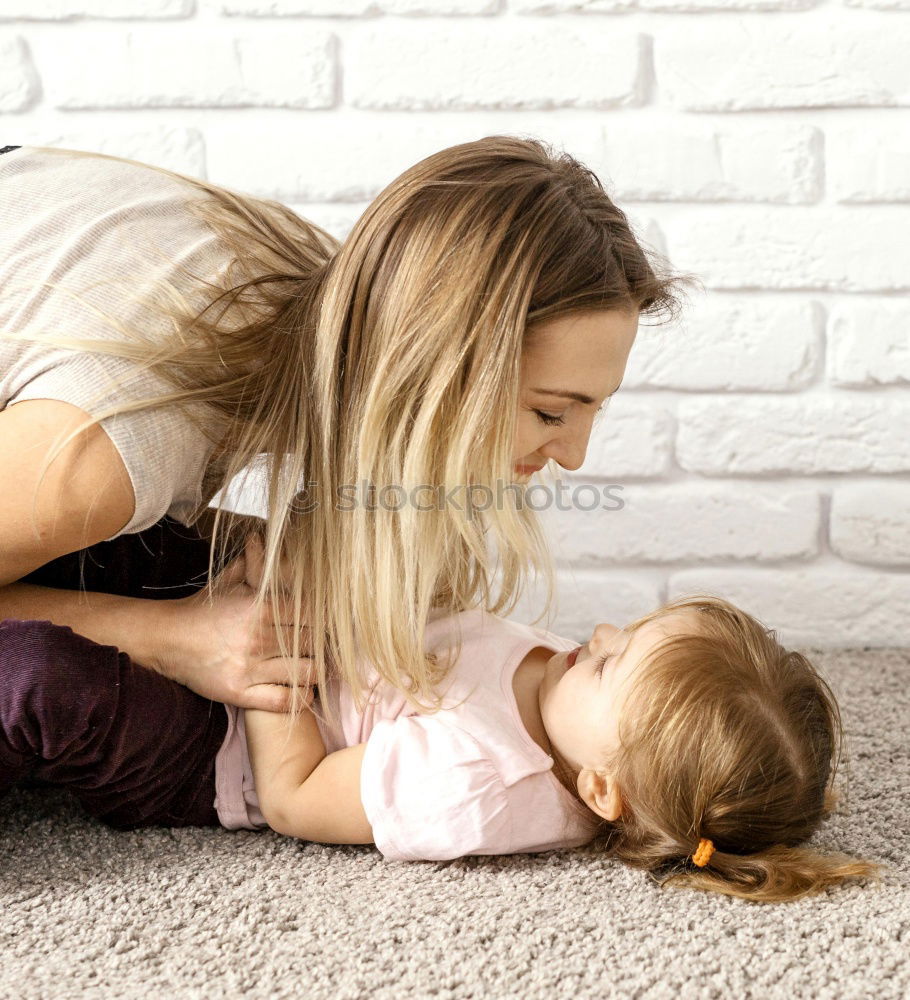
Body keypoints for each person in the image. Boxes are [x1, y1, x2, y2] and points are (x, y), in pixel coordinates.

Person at [0, 138, 696, 734]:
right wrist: (173, 639)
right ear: (428, 369)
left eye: (590, 411)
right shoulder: (103, 456)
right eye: (549, 412)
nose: (573, 458)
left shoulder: (326, 287)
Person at [0, 534, 882, 904]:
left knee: (46, 679)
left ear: (604, 786)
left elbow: (300, 797)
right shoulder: (560, 693)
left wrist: (270, 649)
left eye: (613, 660)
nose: (600, 633)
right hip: (292, 650)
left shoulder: (476, 788)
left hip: (218, 747)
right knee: (140, 541)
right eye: (630, 630)